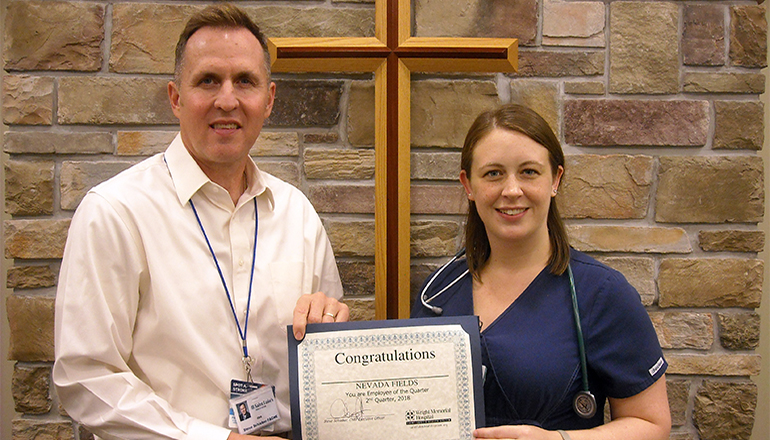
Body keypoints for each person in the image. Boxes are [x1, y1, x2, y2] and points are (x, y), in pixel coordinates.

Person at [53, 4, 348, 440]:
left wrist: (333, 330)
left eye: (244, 81)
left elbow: (327, 363)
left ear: (268, 100)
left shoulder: (297, 214)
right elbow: (86, 376)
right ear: (176, 97)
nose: (226, 100)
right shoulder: (116, 212)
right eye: (208, 80)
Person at [412, 104, 670, 440]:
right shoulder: (438, 293)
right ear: (468, 185)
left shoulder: (602, 293)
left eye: (529, 172)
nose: (512, 190)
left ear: (555, 179)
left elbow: (653, 425)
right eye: (493, 173)